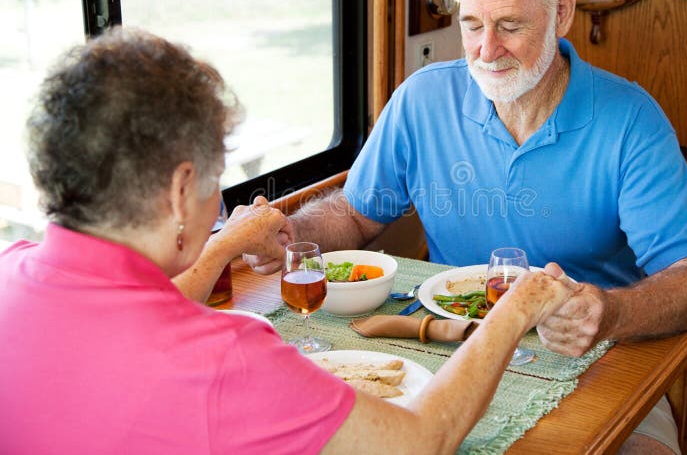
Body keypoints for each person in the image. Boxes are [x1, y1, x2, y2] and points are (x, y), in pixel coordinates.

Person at [243, 0, 687, 454]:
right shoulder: (422, 99)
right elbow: (357, 215)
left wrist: (608, 313)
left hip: (597, 356)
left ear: (561, 11)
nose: (486, 50)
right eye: (471, 25)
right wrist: (293, 234)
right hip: (447, 350)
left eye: (510, 26)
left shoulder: (631, 120)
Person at [0, 27, 574, 453]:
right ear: (180, 190)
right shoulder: (225, 360)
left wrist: (224, 247)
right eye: (214, 177)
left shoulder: (11, 267)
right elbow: (421, 440)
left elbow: (145, 311)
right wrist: (515, 309)